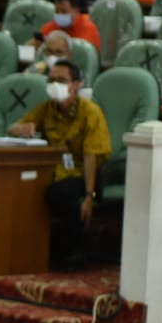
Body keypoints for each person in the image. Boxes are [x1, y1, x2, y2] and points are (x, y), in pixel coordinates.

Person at [8, 60, 111, 271]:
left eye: (62, 80)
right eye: (52, 80)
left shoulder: (90, 112)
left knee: (59, 193)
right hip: (57, 171)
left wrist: (89, 196)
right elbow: (12, 127)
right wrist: (22, 129)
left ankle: (77, 249)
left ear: (76, 84)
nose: (55, 84)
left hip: (86, 174)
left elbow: (92, 155)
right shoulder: (47, 108)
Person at [31, 0, 101, 52]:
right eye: (57, 11)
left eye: (64, 12)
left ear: (76, 10)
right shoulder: (50, 26)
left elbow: (80, 53)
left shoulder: (88, 27)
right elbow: (32, 46)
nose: (59, 15)